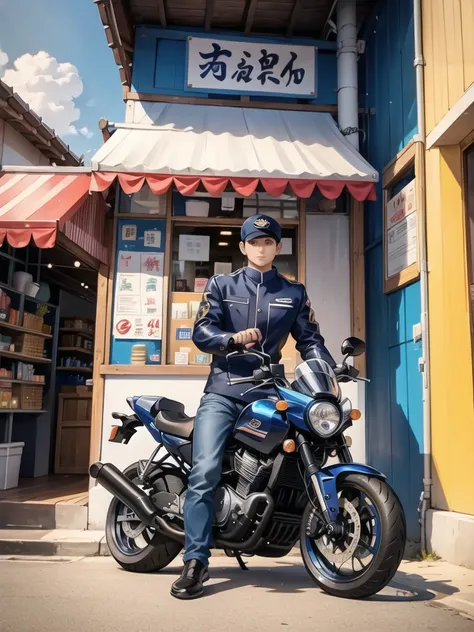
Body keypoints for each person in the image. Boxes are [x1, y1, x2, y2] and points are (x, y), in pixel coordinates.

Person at [171, 213, 335, 599]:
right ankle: (195, 561)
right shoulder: (221, 284)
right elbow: (202, 331)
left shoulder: (293, 293)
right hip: (225, 392)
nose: (261, 248)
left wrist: (329, 365)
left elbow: (310, 340)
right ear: (243, 247)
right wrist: (230, 339)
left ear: (278, 247)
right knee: (206, 468)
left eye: (268, 242)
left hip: (268, 392)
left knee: (296, 453)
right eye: (254, 242)